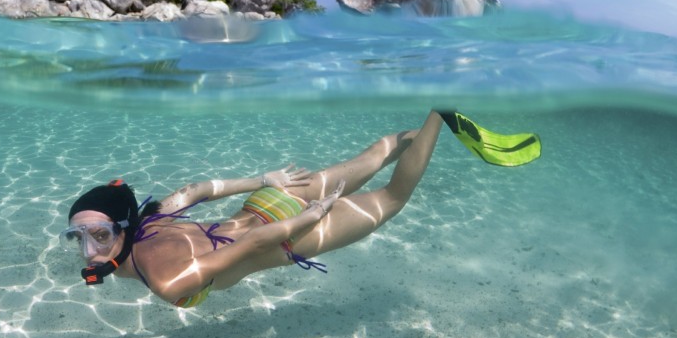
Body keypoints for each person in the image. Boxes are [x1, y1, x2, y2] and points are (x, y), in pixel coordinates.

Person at [59, 110, 447, 308]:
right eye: (77, 238)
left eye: (99, 235)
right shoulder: (156, 214)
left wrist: (312, 216)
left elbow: (251, 245)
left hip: (289, 234)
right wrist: (264, 180)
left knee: (393, 197)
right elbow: (198, 190)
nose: (89, 252)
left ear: (122, 228)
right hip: (266, 202)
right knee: (371, 158)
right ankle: (428, 125)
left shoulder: (165, 281)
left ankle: (441, 114)